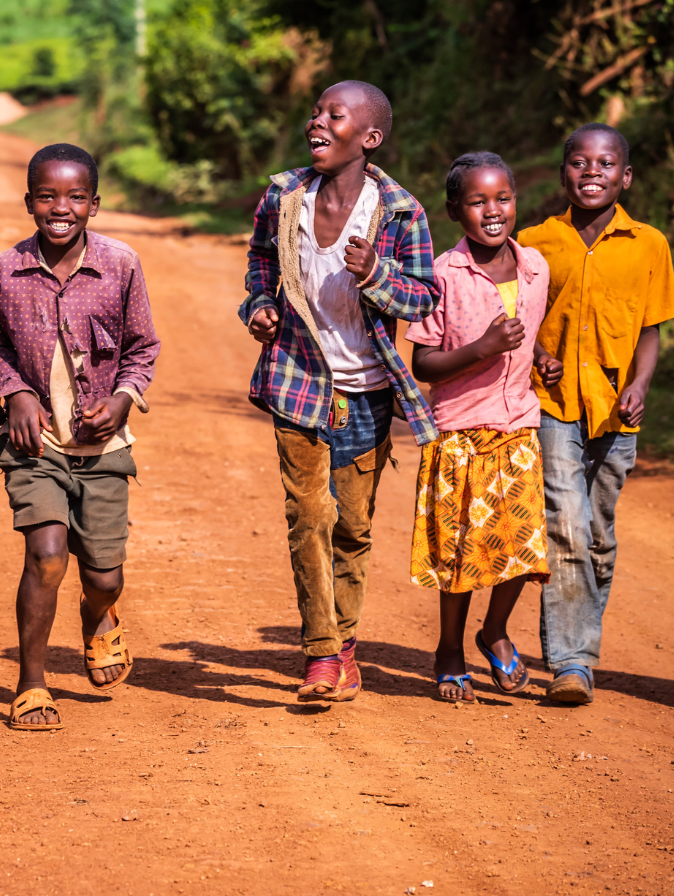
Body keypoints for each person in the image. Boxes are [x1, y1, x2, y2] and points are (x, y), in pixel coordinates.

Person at [239, 81, 441, 701]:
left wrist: (375, 274)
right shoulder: (283, 197)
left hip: (370, 391)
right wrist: (260, 306)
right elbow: (260, 267)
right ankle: (322, 653)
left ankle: (345, 641)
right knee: (309, 516)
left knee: (353, 527)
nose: (316, 123)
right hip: (297, 381)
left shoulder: (401, 211)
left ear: (370, 138)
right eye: (316, 112)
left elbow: (424, 297)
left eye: (334, 115)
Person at [0, 143, 159, 730]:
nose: (62, 208)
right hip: (36, 447)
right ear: (29, 201)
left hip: (103, 447)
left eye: (76, 197)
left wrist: (125, 399)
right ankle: (31, 684)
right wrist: (16, 393)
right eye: (48, 196)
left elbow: (141, 347)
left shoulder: (121, 265)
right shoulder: (4, 269)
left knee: (103, 574)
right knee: (47, 553)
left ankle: (98, 615)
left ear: (95, 204)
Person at [517, 123, 674, 705]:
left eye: (605, 164)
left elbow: (651, 328)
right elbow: (521, 321)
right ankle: (573, 662)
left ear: (626, 176)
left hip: (616, 409)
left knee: (599, 537)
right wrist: (538, 354)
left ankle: (577, 634)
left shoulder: (649, 244)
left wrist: (641, 383)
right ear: (563, 173)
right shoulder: (534, 243)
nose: (592, 172)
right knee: (565, 523)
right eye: (580, 163)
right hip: (553, 404)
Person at [405, 153, 549, 703]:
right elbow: (423, 365)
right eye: (477, 201)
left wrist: (543, 360)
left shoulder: (536, 267)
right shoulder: (441, 274)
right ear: (454, 211)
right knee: (461, 554)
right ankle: (448, 649)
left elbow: (532, 336)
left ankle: (494, 631)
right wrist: (482, 348)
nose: (493, 211)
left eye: (502, 198)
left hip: (518, 426)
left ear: (516, 200)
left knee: (523, 545)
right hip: (461, 431)